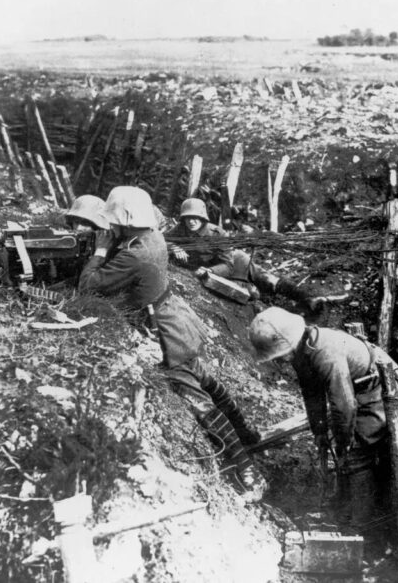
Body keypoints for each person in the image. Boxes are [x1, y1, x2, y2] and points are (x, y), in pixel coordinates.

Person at [79, 186, 267, 500]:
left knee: (196, 399)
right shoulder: (151, 237)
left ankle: (249, 472)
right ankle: (247, 434)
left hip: (164, 330)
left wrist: (99, 253)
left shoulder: (136, 254)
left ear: (124, 221)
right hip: (177, 316)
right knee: (203, 374)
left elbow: (89, 287)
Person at [248, 307, 398, 539]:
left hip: (371, 390)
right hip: (350, 390)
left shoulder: (326, 353)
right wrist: (319, 430)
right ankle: (343, 507)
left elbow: (345, 404)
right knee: (342, 452)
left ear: (288, 345)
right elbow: (311, 392)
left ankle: (362, 528)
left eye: (279, 355)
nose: (280, 361)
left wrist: (344, 441)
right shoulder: (301, 351)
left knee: (357, 455)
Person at [166, 197, 344, 310]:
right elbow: (160, 239)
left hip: (236, 263)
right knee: (251, 295)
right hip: (216, 273)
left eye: (195, 218)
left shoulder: (217, 234)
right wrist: (173, 247)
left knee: (269, 280)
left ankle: (306, 298)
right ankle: (258, 295)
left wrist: (210, 271)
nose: (191, 222)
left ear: (203, 218)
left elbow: (227, 265)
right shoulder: (180, 229)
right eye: (188, 218)